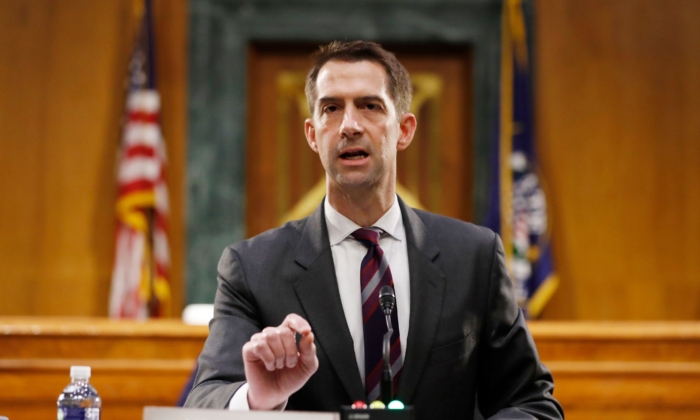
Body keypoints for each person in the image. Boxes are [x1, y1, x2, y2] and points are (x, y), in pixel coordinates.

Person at [185, 40, 563, 419]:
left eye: (370, 106)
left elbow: (532, 403)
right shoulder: (252, 268)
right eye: (331, 109)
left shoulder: (474, 257)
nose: (349, 125)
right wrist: (258, 398)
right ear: (313, 134)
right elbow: (204, 402)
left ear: (404, 129)